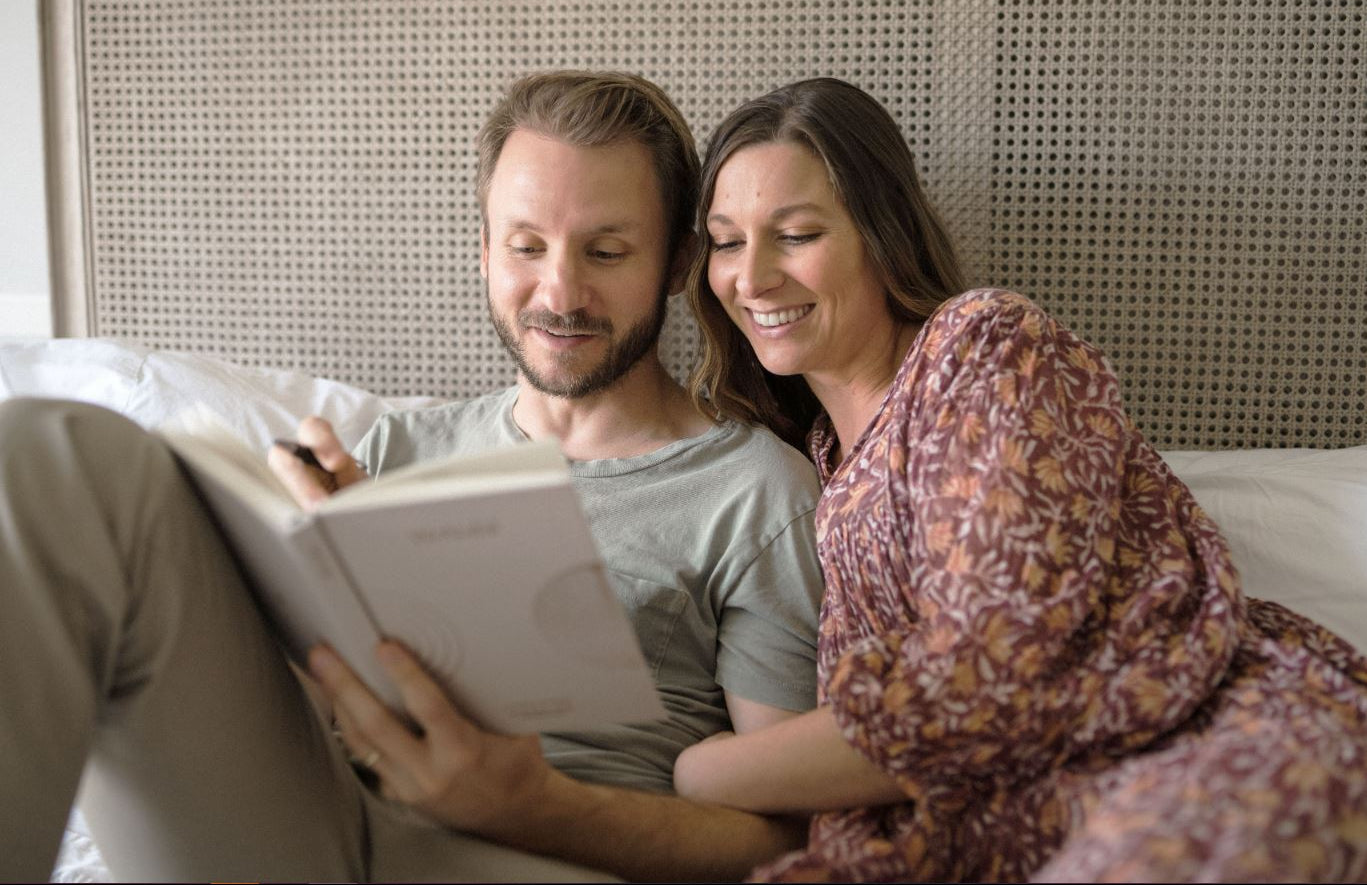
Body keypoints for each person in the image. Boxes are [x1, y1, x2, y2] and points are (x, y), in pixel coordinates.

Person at [0, 71, 823, 883]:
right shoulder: (398, 449)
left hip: (551, 847)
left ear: (677, 262)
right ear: (484, 251)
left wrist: (530, 804)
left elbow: (782, 838)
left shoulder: (753, 492)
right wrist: (290, 569)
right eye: (526, 247)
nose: (560, 292)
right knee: (53, 451)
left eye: (606, 251)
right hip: (318, 818)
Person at [672, 77, 1367, 882]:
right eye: (725, 241)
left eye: (793, 234)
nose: (750, 277)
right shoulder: (808, 461)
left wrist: (705, 770)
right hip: (1011, 814)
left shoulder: (984, 349)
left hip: (1204, 741)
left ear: (880, 233)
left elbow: (986, 679)